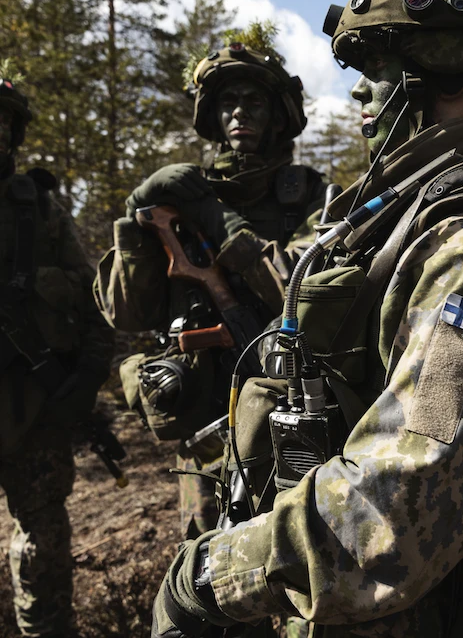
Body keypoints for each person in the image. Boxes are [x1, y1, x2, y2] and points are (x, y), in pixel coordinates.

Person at [148, 0, 463, 636]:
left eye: (375, 70)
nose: (359, 92)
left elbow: (402, 504)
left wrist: (207, 578)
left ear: (445, 78)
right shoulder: (408, 212)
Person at [94, 40, 325, 538]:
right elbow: (128, 314)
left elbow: (300, 287)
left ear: (279, 116)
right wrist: (134, 222)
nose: (239, 112)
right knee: (205, 557)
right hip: (205, 427)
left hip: (291, 418)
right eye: (228, 102)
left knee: (294, 548)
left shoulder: (311, 196)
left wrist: (220, 221)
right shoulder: (179, 198)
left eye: (254, 101)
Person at [0, 72, 114, 637]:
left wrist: (89, 373)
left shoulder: (37, 209)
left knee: (41, 544)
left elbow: (92, 295)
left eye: (4, 120)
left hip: (33, 405)